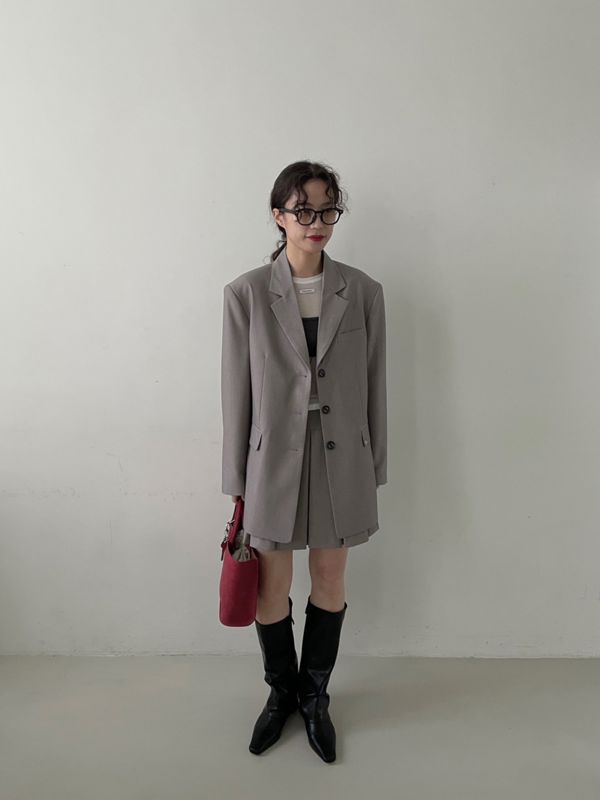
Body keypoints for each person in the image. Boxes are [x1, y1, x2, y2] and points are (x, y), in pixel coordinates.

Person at [220, 160, 387, 763]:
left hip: (344, 459)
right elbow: (236, 391)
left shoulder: (363, 292)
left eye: (327, 210)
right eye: (303, 210)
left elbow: (375, 383)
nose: (316, 222)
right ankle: (281, 692)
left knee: (330, 578)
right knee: (272, 582)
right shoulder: (246, 293)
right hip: (271, 461)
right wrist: (235, 477)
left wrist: (375, 465)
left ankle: (315, 697)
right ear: (279, 215)